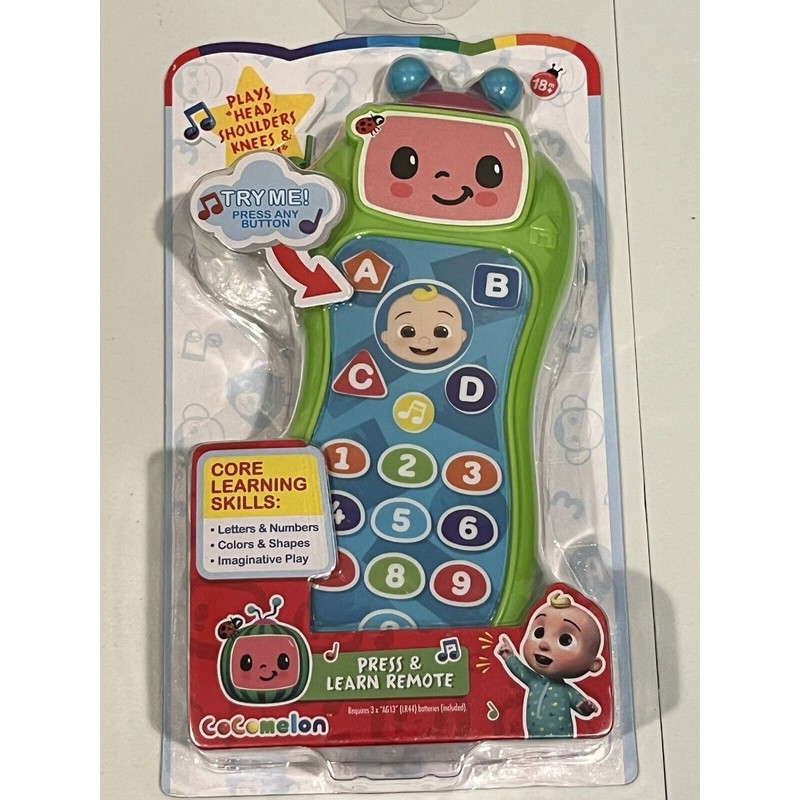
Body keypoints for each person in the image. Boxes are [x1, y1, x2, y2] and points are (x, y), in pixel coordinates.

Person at [495, 591, 604, 737]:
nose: (544, 644)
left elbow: (581, 706)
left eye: (565, 640)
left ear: (594, 664)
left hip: (562, 742)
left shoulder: (567, 691)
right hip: (534, 741)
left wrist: (585, 707)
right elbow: (520, 670)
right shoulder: (534, 681)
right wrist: (509, 656)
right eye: (539, 633)